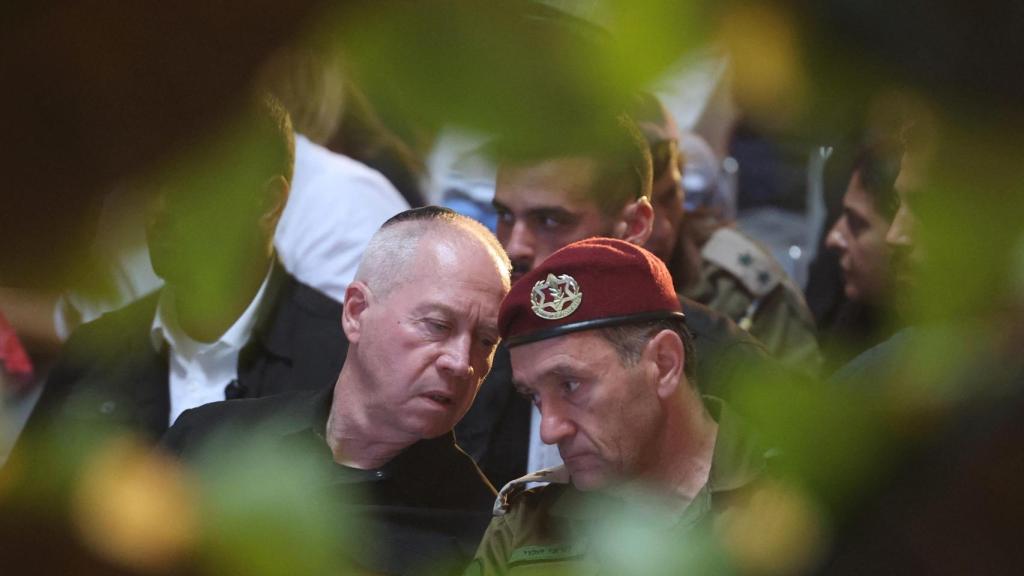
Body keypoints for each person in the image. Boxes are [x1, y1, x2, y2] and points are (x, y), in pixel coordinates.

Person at [162, 206, 511, 575]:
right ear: (356, 312)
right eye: (438, 325)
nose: (461, 362)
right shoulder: (211, 440)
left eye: (485, 341)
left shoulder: (479, 532)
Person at [456, 114, 782, 491]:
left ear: (635, 225)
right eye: (505, 216)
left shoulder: (730, 367)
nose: (515, 246)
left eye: (550, 220)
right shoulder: (480, 353)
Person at [13, 96, 349, 445]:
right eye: (154, 180)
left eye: (192, 184)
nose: (160, 207)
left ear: (268, 202)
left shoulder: (339, 366)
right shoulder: (92, 358)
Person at [466, 238, 768, 575]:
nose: (549, 430)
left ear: (664, 364)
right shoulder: (526, 526)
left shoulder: (800, 503)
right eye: (534, 397)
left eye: (570, 385)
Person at [631, 93, 821, 372]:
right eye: (640, 211)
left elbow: (802, 405)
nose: (662, 229)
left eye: (670, 196)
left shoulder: (740, 287)